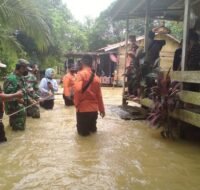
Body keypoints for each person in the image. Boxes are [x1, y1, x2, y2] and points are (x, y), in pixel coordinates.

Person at [73, 54, 105, 136]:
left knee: (83, 136)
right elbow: (99, 96)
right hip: (94, 110)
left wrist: (76, 104)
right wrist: (102, 110)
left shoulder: (80, 75)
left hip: (83, 109)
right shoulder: (96, 77)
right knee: (92, 133)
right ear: (91, 63)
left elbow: (77, 90)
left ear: (82, 62)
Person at [3, 59, 30, 131]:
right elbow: (6, 96)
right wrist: (18, 99)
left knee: (15, 130)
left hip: (20, 109)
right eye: (25, 68)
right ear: (20, 67)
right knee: (18, 132)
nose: (26, 70)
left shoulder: (21, 78)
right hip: (15, 110)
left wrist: (30, 100)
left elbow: (23, 91)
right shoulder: (11, 79)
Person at [0, 62, 23, 142]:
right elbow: (2, 96)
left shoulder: (19, 78)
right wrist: (16, 96)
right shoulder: (10, 78)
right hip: (12, 108)